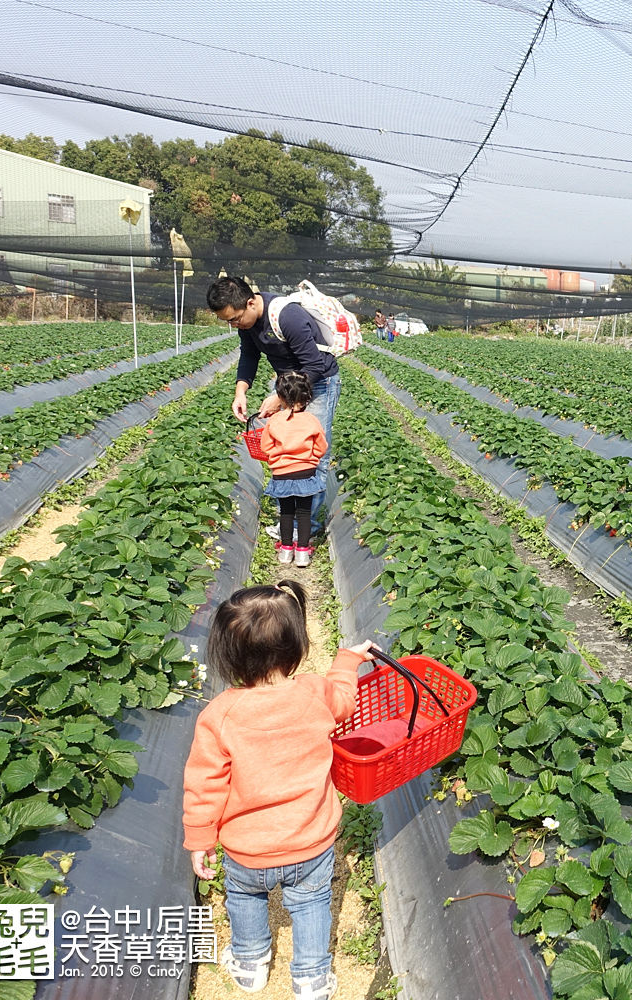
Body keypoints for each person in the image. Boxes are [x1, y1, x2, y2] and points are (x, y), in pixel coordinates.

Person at [182, 581, 374, 1000]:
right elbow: (344, 699)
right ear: (296, 648)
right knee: (310, 905)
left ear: (226, 654)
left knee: (246, 899)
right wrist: (346, 661)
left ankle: (250, 964)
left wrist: (200, 838)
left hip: (247, 848)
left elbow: (204, 784)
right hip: (311, 841)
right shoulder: (314, 693)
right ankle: (310, 977)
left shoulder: (221, 715)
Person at [207, 276, 340, 538]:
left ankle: (308, 527)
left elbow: (314, 367)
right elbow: (249, 355)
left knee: (314, 454)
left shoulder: (287, 317)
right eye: (227, 322)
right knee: (282, 449)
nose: (233, 325)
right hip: (287, 383)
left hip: (319, 382)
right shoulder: (247, 325)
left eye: (234, 319)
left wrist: (280, 399)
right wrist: (240, 391)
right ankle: (288, 519)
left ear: (250, 303)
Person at [259, 371, 327, 568]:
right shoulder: (312, 420)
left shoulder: (274, 421)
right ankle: (303, 553)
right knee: (304, 513)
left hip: (282, 473)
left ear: (280, 397)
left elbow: (265, 447)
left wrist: (277, 459)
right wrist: (311, 459)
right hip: (306, 472)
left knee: (286, 512)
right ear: (307, 397)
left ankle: (286, 550)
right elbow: (321, 446)